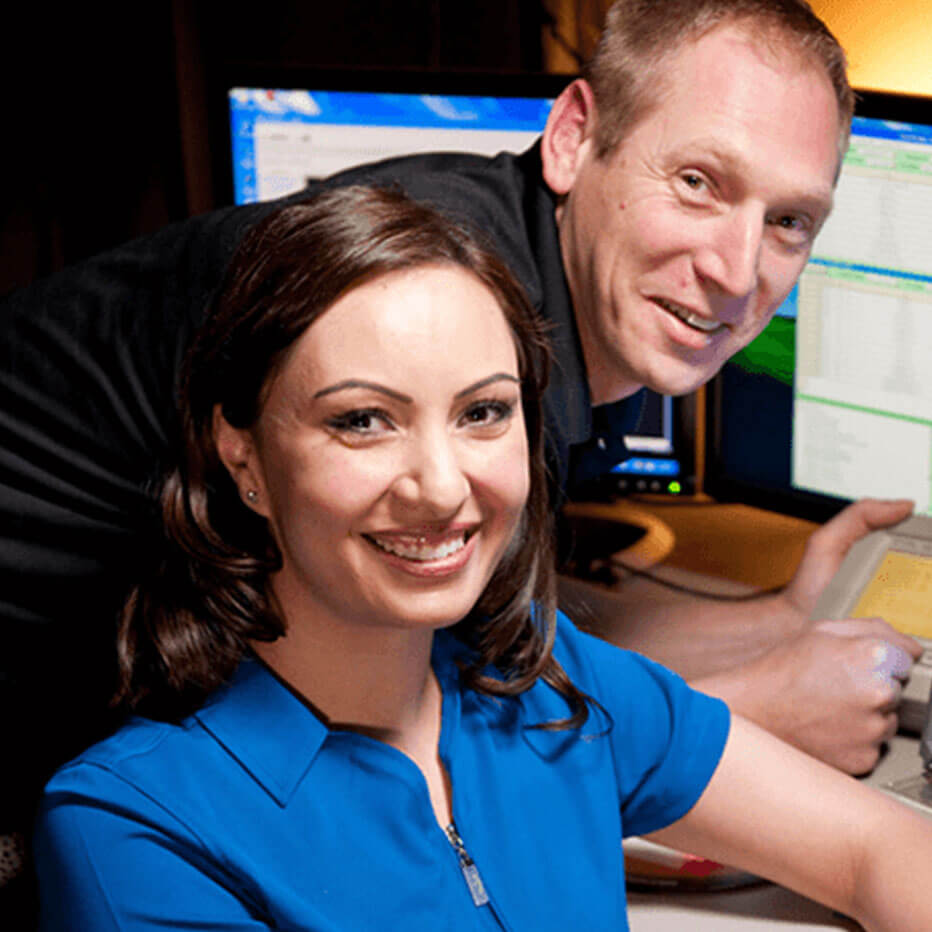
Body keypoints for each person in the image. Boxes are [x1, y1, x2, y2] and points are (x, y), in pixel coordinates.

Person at [0, 2, 917, 850]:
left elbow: (505, 633)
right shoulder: (454, 317)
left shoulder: (545, 275)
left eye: (790, 220)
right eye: (695, 182)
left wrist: (780, 619)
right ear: (571, 139)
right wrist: (755, 709)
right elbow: (422, 740)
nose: (736, 268)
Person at [32, 186, 932, 932]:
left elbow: (880, 847)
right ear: (244, 458)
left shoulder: (544, 679)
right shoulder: (137, 832)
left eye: (483, 413)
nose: (440, 486)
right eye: (362, 420)